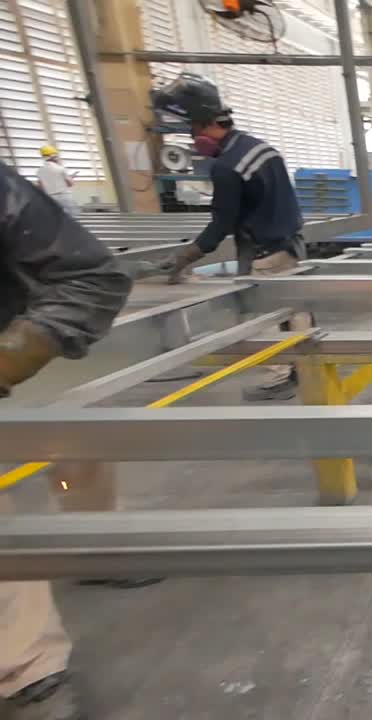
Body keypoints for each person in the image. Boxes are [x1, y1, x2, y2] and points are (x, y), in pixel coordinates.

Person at [1, 159, 133, 718]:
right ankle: (24, 657)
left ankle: (99, 546)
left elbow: (92, 276)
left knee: (69, 448)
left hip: (16, 332)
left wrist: (12, 357)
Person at [149, 72, 308, 401]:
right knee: (296, 309)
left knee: (260, 316)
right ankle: (307, 367)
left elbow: (220, 225)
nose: (193, 139)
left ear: (206, 124)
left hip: (264, 253)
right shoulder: (261, 148)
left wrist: (183, 259)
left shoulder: (227, 166)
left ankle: (278, 377)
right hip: (290, 243)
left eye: (193, 130)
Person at [35, 146, 75, 214]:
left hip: (51, 199)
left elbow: (40, 188)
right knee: (70, 218)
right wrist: (71, 178)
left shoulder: (39, 171)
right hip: (65, 197)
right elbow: (70, 184)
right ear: (53, 156)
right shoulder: (60, 168)